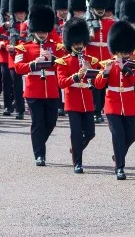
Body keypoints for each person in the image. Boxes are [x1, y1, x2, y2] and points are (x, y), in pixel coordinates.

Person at [13, 4, 62, 165]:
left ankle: (39, 142)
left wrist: (52, 59)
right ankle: (39, 154)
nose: (42, 34)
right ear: (34, 30)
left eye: (44, 31)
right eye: (39, 31)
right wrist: (33, 64)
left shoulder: (56, 47)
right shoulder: (24, 47)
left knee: (51, 122)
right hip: (33, 90)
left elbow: (64, 64)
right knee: (38, 123)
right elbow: (18, 68)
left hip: (52, 91)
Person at [95, 21, 135, 180]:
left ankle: (118, 155)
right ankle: (120, 167)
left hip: (128, 105)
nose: (123, 55)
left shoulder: (134, 66)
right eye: (120, 52)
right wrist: (105, 73)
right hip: (112, 105)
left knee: (131, 137)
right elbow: (99, 85)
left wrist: (126, 69)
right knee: (118, 135)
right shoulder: (108, 65)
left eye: (125, 52)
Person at [56, 18, 99, 174]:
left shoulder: (90, 60)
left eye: (81, 43)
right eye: (76, 43)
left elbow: (97, 79)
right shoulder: (63, 62)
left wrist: (90, 71)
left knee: (90, 133)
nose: (79, 46)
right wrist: (76, 76)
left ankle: (76, 148)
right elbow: (61, 83)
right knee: (75, 133)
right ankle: (77, 163)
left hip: (87, 100)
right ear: (70, 44)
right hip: (72, 101)